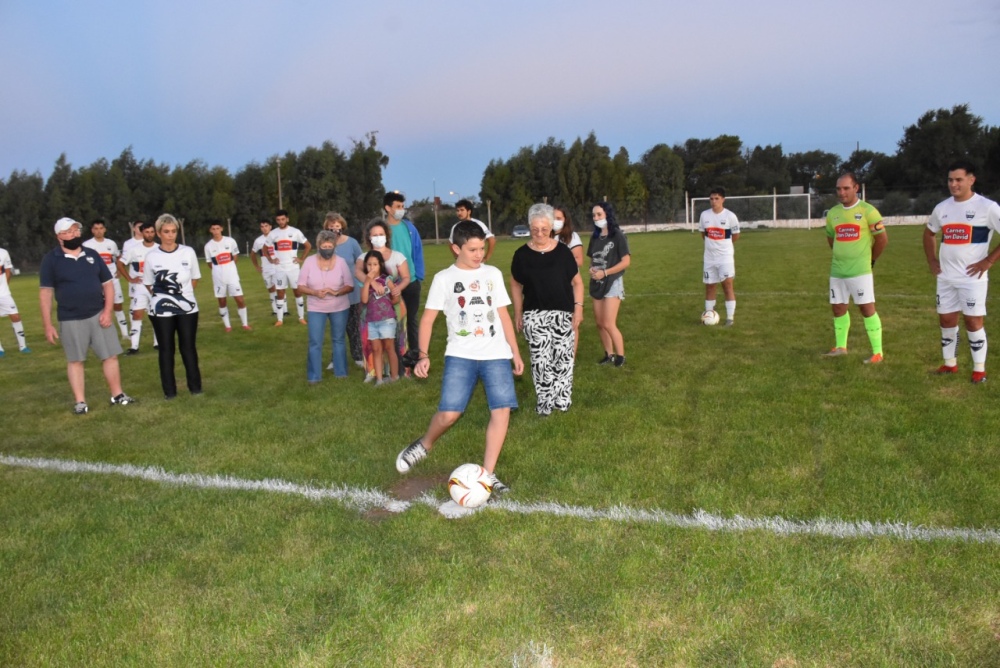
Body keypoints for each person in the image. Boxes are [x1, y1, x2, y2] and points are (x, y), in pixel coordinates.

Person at [395, 221, 524, 495]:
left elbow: (502, 314)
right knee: (450, 413)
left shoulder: (492, 274)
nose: (480, 254)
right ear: (456, 248)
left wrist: (514, 351)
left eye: (481, 248)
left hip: (496, 353)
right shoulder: (444, 279)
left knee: (501, 411)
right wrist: (423, 355)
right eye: (473, 249)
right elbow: (428, 320)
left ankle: (487, 474)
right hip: (460, 355)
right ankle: (424, 445)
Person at [39, 217, 136, 414]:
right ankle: (80, 402)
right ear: (59, 236)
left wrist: (107, 311)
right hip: (70, 318)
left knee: (110, 356)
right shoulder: (51, 260)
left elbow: (107, 284)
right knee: (75, 360)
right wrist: (47, 324)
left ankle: (117, 395)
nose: (74, 234)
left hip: (99, 314)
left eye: (76, 230)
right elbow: (46, 292)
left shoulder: (92, 255)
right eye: (69, 231)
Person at [923, 159, 1000, 383]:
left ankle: (979, 370)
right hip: (946, 277)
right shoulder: (943, 208)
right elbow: (929, 233)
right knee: (946, 321)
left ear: (971, 180)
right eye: (950, 180)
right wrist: (932, 261)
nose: (953, 184)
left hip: (972, 279)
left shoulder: (988, 207)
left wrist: (988, 261)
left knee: (973, 323)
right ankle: (949, 365)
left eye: (958, 179)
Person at [510, 203, 583, 415]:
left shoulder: (563, 252)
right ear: (529, 227)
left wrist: (578, 309)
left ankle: (562, 401)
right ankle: (545, 403)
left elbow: (577, 283)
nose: (539, 233)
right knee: (541, 360)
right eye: (535, 229)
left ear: (551, 227)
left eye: (544, 229)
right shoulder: (521, 255)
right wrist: (518, 312)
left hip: (563, 313)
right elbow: (515, 284)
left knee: (563, 358)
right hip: (534, 314)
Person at [823, 172, 887, 364]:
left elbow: (882, 240)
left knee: (867, 308)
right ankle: (841, 347)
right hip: (837, 271)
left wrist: (870, 260)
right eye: (838, 189)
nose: (841, 192)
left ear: (856, 188)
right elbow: (830, 238)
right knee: (838, 308)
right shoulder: (833, 213)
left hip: (860, 271)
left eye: (846, 188)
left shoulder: (868, 211)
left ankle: (878, 353)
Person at [144, 214, 202, 399]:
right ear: (159, 233)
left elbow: (194, 279)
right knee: (166, 349)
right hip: (161, 311)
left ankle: (196, 388)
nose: (171, 235)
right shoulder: (151, 256)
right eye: (166, 232)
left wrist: (180, 299)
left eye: (174, 231)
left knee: (188, 347)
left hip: (187, 309)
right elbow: (148, 283)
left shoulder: (188, 252)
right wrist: (165, 297)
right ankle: (170, 392)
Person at [356, 218, 411, 381]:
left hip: (394, 305)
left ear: (386, 235)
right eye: (374, 235)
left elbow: (406, 277)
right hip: (370, 307)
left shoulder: (397, 256)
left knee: (397, 340)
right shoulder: (364, 257)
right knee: (372, 342)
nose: (378, 237)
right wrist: (371, 281)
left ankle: (402, 371)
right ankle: (373, 372)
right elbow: (358, 272)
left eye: (381, 234)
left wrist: (395, 290)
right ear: (369, 238)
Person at [297, 230, 355, 383]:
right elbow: (300, 286)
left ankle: (341, 373)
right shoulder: (309, 262)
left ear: (334, 246)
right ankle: (314, 377)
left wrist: (335, 292)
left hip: (339, 307)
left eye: (330, 245)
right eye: (324, 246)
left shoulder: (341, 262)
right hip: (316, 308)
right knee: (315, 341)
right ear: (319, 246)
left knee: (339, 340)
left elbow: (350, 285)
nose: (327, 248)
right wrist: (314, 292)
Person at [588, 201, 631, 367]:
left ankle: (621, 356)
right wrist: (593, 269)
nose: (596, 218)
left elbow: (626, 261)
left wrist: (605, 272)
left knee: (608, 322)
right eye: (593, 215)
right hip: (597, 282)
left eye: (599, 214)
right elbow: (594, 258)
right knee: (599, 323)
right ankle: (609, 354)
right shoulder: (595, 237)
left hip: (612, 282)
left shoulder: (618, 235)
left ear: (607, 214)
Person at [383, 192, 424, 358]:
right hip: (391, 284)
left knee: (412, 319)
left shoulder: (409, 227)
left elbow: (417, 250)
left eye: (402, 206)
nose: (402, 210)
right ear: (388, 208)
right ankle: (395, 354)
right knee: (393, 320)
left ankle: (414, 354)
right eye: (398, 206)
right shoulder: (382, 230)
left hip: (411, 280)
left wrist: (418, 274)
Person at [323, 212, 365, 369]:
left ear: (342, 226)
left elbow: (361, 263)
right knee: (336, 328)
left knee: (353, 327)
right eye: (331, 226)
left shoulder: (352, 243)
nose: (334, 228)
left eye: (337, 225)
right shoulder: (325, 244)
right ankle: (336, 359)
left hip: (352, 292)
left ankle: (358, 356)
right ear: (326, 228)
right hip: (333, 293)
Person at [699, 187, 741, 326]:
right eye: (711, 199)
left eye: (717, 198)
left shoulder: (730, 216)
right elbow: (703, 234)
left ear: (723, 199)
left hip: (725, 258)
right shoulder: (704, 215)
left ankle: (730, 318)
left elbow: (735, 236)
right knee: (710, 286)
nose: (713, 201)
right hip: (709, 258)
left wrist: (723, 246)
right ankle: (709, 315)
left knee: (727, 286)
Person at [116, 222, 159, 354]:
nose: (150, 234)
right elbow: (120, 263)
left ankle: (158, 343)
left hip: (156, 287)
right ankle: (134, 346)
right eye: (147, 232)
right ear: (142, 232)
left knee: (157, 315)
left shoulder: (160, 248)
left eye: (152, 232)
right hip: (140, 286)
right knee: (137, 314)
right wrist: (130, 278)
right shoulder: (134, 249)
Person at [83, 218, 130, 339]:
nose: (99, 231)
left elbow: (118, 258)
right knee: (98, 307)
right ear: (92, 230)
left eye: (101, 228)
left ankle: (125, 333)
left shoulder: (111, 244)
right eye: (96, 229)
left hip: (112, 280)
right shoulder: (87, 245)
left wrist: (119, 270)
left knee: (118, 305)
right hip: (95, 281)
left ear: (105, 229)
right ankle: (98, 333)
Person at [360, 250, 401, 385]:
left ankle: (394, 377)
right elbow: (364, 300)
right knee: (376, 350)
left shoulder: (386, 280)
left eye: (375, 264)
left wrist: (386, 304)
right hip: (372, 321)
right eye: (369, 264)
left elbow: (395, 298)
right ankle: (379, 379)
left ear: (381, 265)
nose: (372, 268)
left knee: (389, 348)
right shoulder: (365, 282)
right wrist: (367, 282)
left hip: (387, 320)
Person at [267, 209, 311, 326]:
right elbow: (265, 249)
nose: (280, 222)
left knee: (298, 291)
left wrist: (301, 259)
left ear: (287, 219)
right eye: (278, 220)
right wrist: (271, 259)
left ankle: (301, 317)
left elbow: (308, 246)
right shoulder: (273, 233)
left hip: (293, 268)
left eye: (282, 219)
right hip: (279, 268)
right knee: (280, 292)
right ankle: (280, 319)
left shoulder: (295, 232)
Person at [204, 222, 250, 332]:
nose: (216, 231)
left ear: (221, 229)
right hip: (218, 279)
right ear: (210, 230)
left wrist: (229, 268)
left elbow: (235, 257)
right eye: (213, 229)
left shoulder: (230, 241)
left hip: (232, 277)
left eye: (217, 228)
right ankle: (228, 326)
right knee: (222, 301)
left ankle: (245, 324)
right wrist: (219, 271)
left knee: (240, 300)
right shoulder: (208, 246)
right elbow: (210, 263)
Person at [0, 246, 31, 355]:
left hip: (3, 294)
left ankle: (23, 347)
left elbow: (8, 271)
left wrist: (4, 287)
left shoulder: (3, 252)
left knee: (15, 316)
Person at [250, 218, 279, 317]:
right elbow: (252, 254)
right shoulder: (258, 240)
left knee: (279, 288)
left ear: (270, 226)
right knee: (270, 289)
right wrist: (257, 266)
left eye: (266, 226)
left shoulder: (277, 237)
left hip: (276, 267)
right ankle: (275, 310)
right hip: (265, 268)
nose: (264, 228)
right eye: (262, 226)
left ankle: (284, 310)